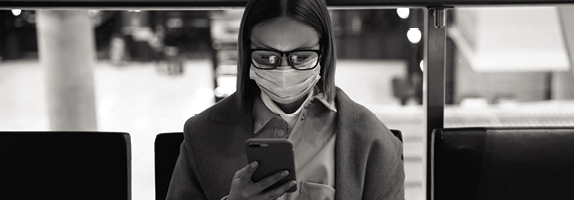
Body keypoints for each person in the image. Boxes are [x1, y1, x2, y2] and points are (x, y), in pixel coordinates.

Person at [166, 0, 405, 199]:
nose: (283, 71)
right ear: (247, 52)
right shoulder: (202, 136)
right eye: (266, 57)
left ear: (324, 53)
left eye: (301, 57)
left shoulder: (373, 143)